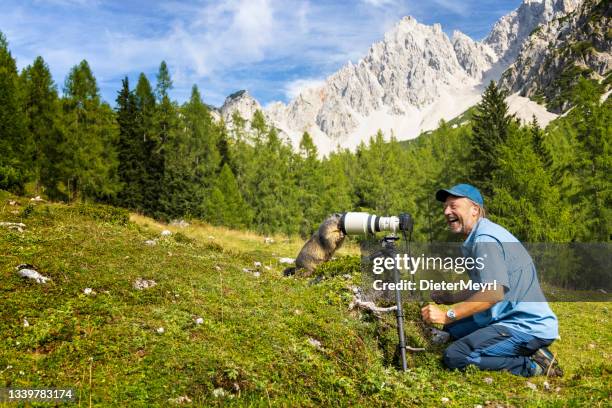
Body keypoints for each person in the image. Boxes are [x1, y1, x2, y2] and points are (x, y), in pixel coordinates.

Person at [420, 183, 563, 377]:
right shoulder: (481, 234)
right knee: (452, 329)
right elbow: (483, 286)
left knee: (455, 356)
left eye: (454, 206)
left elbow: (493, 293)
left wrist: (448, 314)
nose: (446, 211)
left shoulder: (485, 240)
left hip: (524, 326)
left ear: (474, 210)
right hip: (506, 316)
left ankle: (533, 365)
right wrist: (451, 298)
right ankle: (526, 350)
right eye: (445, 207)